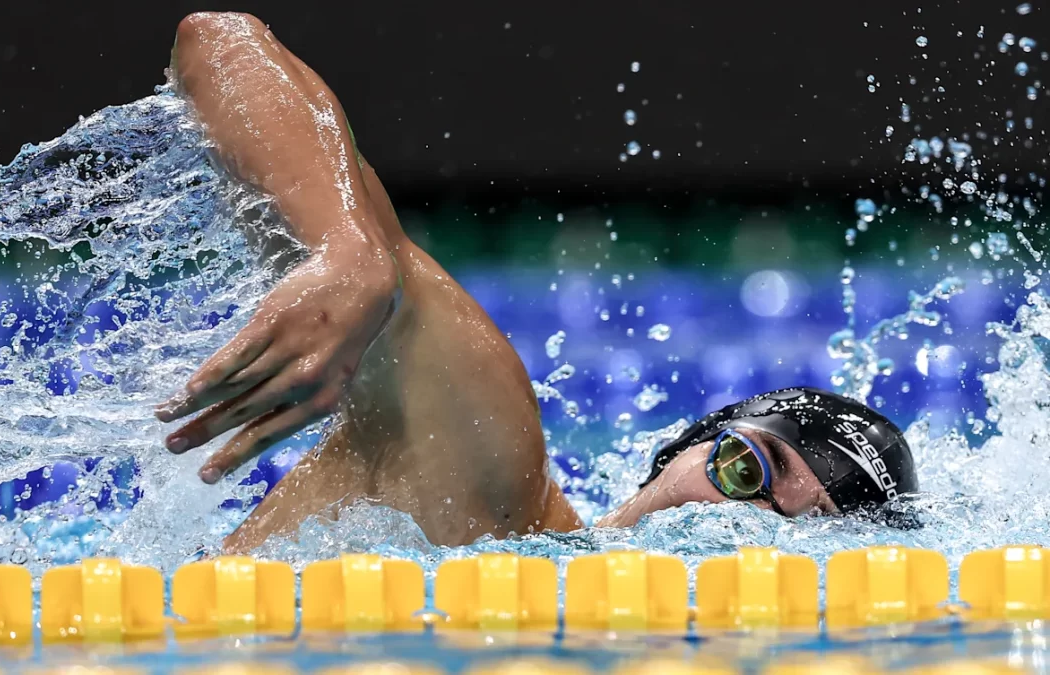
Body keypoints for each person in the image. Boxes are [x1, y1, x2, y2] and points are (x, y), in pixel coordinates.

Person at [154, 12, 918, 553]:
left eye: (802, 535)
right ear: (680, 451)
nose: (747, 527)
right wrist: (350, 250)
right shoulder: (487, 481)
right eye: (747, 469)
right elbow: (219, 43)